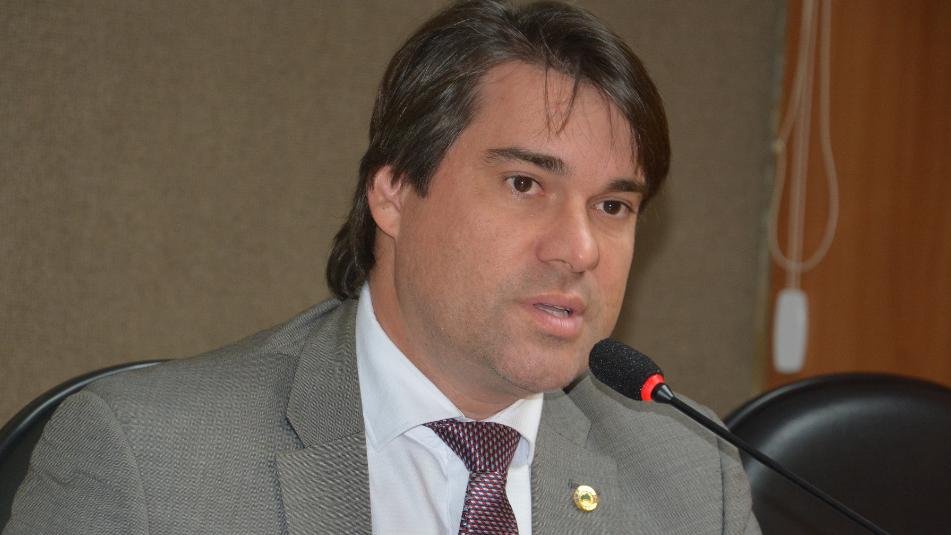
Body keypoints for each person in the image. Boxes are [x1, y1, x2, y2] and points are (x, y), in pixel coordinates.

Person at [4, 1, 759, 534]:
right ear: (393, 193)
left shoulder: (690, 478)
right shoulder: (148, 464)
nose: (580, 248)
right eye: (525, 184)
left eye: (613, 205)